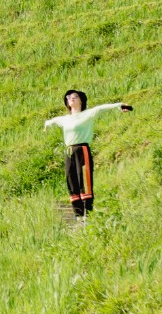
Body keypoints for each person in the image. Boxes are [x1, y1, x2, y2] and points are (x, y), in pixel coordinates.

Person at [45, 89, 132, 218]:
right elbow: (51, 121)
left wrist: (119, 106)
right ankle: (78, 215)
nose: (72, 98)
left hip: (82, 149)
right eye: (69, 97)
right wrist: (46, 124)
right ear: (67, 102)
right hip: (69, 151)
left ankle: (87, 214)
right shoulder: (64, 119)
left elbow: (102, 108)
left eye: (75, 96)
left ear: (81, 100)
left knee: (84, 181)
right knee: (71, 180)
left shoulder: (88, 114)